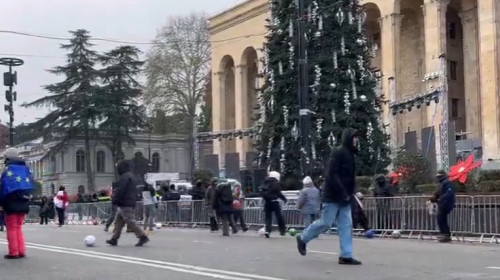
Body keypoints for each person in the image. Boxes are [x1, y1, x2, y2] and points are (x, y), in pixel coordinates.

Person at [296, 129, 362, 265]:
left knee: (346, 225)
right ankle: (303, 238)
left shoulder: (350, 154)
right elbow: (331, 174)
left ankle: (346, 255)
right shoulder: (339, 152)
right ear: (348, 138)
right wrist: (343, 192)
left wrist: (353, 192)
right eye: (354, 137)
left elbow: (349, 178)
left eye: (357, 137)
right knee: (326, 222)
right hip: (332, 195)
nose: (356, 140)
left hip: (344, 197)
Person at [0, 148, 34, 259]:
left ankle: (13, 252)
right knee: (18, 226)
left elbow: (3, 186)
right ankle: (21, 250)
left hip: (10, 201)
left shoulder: (7, 169)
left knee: (11, 227)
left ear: (8, 158)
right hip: (24, 200)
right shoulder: (25, 169)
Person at [106, 160, 149, 247]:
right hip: (129, 201)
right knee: (119, 220)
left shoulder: (125, 177)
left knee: (129, 220)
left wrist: (115, 199)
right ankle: (114, 238)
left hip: (125, 202)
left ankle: (142, 236)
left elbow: (121, 190)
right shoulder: (131, 176)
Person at [430, 170, 455, 243]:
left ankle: (445, 234)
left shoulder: (447, 182)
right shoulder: (441, 183)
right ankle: (444, 234)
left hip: (446, 203)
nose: (438, 178)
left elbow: (449, 192)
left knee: (441, 218)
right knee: (441, 219)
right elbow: (439, 192)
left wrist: (440, 198)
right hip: (442, 203)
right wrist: (434, 197)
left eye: (439, 176)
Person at [261, 171, 287, 238]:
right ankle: (282, 230)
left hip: (267, 202)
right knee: (279, 217)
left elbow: (262, 192)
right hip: (274, 202)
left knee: (268, 218)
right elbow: (279, 193)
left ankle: (268, 231)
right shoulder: (275, 183)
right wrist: (284, 199)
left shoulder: (265, 182)